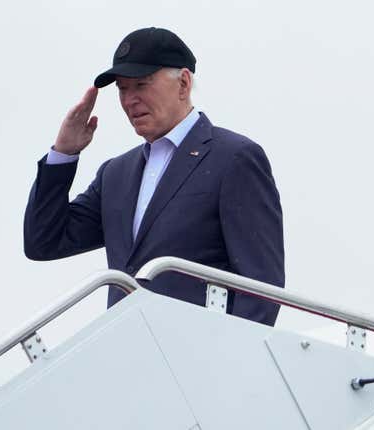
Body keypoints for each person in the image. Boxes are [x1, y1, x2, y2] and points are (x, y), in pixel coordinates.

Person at [24, 27, 284, 326]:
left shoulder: (234, 157)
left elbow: (261, 285)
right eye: (122, 89)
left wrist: (226, 362)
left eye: (141, 84)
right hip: (127, 354)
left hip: (200, 357)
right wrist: (63, 154)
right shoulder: (115, 174)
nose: (130, 100)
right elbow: (43, 242)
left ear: (183, 83)